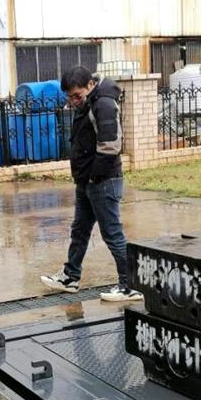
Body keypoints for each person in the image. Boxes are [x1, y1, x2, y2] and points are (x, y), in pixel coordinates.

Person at [40, 66, 142, 302]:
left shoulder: (104, 104)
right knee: (79, 231)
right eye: (69, 97)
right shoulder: (87, 103)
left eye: (77, 95)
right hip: (87, 180)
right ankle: (70, 277)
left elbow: (110, 146)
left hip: (103, 181)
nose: (73, 101)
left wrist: (95, 176)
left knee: (112, 234)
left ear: (90, 85)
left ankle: (129, 285)